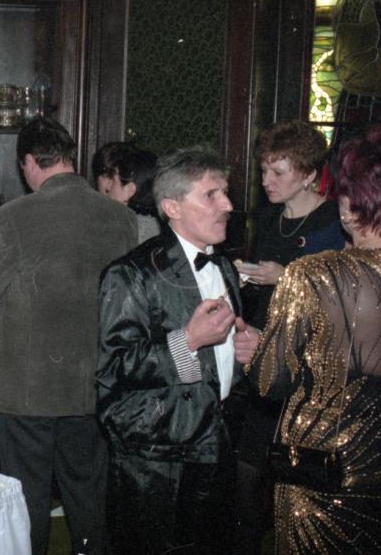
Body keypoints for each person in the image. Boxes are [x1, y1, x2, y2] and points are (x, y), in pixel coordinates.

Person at [0, 117, 137, 555]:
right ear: (70, 158)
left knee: (29, 499)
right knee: (87, 495)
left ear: (29, 163)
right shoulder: (120, 218)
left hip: (27, 389)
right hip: (93, 385)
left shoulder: (17, 215)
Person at [97, 147, 260, 555]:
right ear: (172, 207)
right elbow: (113, 369)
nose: (228, 205)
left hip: (218, 443)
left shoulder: (224, 267)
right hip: (158, 459)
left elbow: (221, 362)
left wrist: (248, 350)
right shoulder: (130, 274)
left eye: (225, 193)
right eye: (211, 195)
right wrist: (187, 341)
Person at [247, 126, 381, 554]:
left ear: (351, 205)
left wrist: (255, 350)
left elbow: (269, 381)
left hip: (324, 467)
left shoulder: (313, 274)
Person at [233, 120, 346, 554]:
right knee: (248, 466)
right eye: (264, 170)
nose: (267, 180)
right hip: (262, 348)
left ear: (308, 174)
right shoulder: (266, 217)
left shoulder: (333, 222)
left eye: (278, 172)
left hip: (307, 362)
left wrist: (285, 278)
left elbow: (339, 299)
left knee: (296, 474)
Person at [98, 144, 161, 243]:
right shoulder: (151, 224)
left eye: (113, 180)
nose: (108, 187)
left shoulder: (129, 230)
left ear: (130, 190)